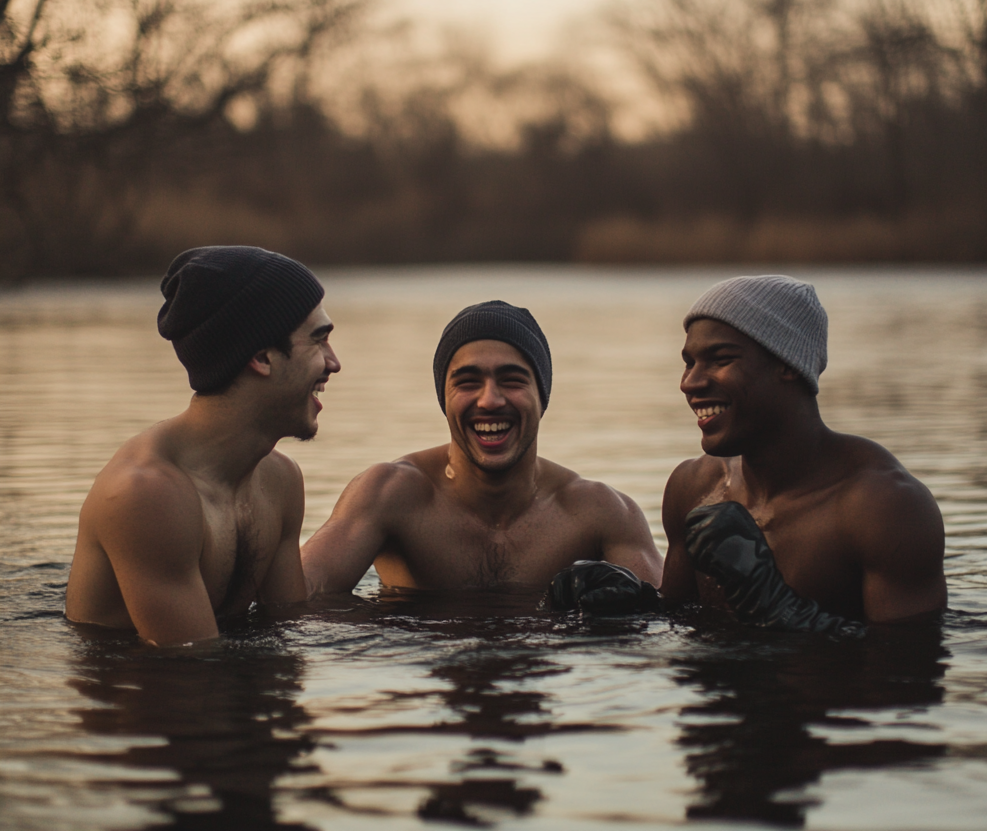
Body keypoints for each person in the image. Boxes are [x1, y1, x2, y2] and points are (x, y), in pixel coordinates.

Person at [302, 300, 662, 608]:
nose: (490, 400)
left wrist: (628, 606)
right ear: (444, 397)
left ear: (542, 396)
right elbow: (296, 598)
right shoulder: (389, 495)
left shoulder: (601, 513)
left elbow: (666, 617)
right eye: (468, 381)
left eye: (512, 379)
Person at [65, 245, 340, 646]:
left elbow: (287, 632)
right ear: (261, 357)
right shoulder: (145, 495)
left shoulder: (279, 481)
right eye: (319, 341)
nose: (334, 363)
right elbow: (192, 671)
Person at [660, 275, 946, 630]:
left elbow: (908, 667)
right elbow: (674, 623)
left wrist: (775, 607)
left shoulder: (884, 506)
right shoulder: (692, 487)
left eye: (720, 359)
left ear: (788, 364)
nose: (690, 383)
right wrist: (622, 606)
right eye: (689, 362)